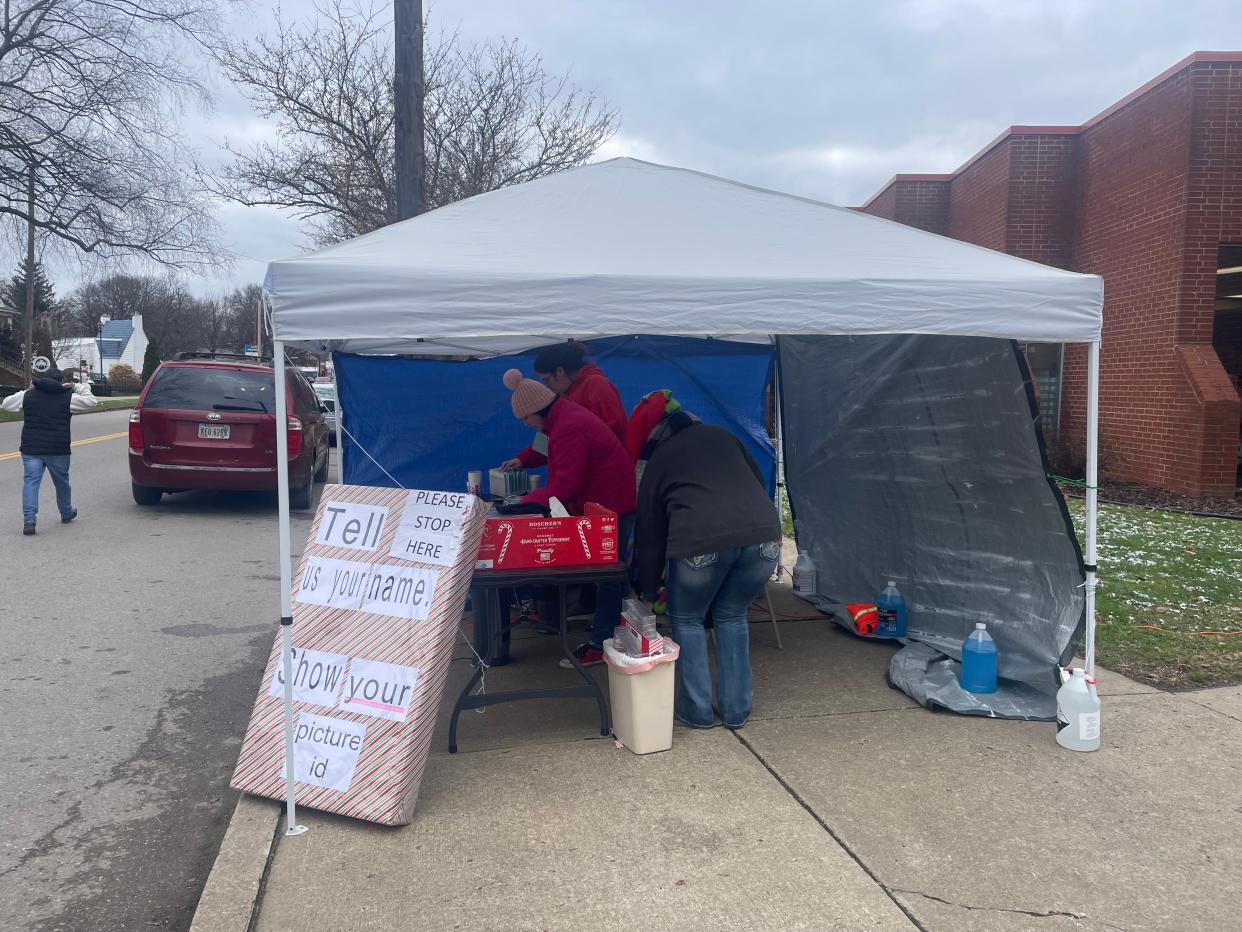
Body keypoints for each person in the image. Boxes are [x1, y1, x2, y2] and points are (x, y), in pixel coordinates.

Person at [630, 392, 781, 730]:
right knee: (732, 616)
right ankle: (736, 711)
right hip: (764, 538)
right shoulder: (723, 435)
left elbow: (650, 532)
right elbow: (758, 484)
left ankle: (696, 712)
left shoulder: (659, 460)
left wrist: (649, 589)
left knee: (688, 620)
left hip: (700, 542)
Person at [501, 368, 636, 667]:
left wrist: (521, 503)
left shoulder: (568, 426)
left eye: (525, 418)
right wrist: (523, 460)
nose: (525, 424)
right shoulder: (559, 417)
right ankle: (629, 630)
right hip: (605, 501)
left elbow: (565, 485)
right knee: (615, 576)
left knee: (607, 576)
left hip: (611, 505)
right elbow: (544, 447)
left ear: (537, 411)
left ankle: (601, 644)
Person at [500, 340, 626, 471]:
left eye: (546, 379)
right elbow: (551, 436)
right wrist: (523, 459)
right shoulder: (567, 393)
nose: (547, 386)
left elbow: (613, 432)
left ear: (559, 371)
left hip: (607, 471)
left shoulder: (597, 386)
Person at [2, 367, 98, 535]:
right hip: (57, 449)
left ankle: (29, 520)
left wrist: (29, 389)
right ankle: (66, 512)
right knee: (62, 483)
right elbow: (91, 401)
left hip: (31, 448)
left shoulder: (28, 396)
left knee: (31, 482)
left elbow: (6, 404)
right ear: (62, 382)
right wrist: (76, 387)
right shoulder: (68, 397)